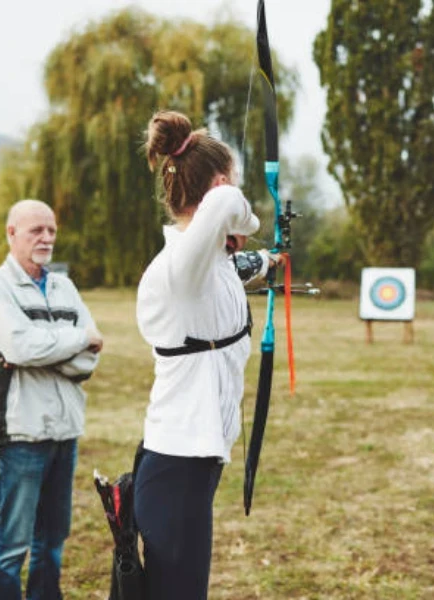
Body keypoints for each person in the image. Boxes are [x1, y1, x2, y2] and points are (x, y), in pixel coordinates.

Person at [134, 110, 282, 599]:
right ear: (220, 184)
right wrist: (248, 216)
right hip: (176, 461)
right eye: (231, 182)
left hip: (194, 460)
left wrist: (267, 260)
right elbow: (228, 205)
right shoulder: (179, 268)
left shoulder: (208, 263)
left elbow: (235, 267)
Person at [0, 199, 104, 600]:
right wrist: (76, 340)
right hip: (21, 433)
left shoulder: (64, 286)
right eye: (36, 230)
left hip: (65, 431)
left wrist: (56, 349)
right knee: (11, 547)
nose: (46, 238)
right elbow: (19, 347)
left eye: (51, 230)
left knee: (51, 544)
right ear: (12, 234)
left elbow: (89, 358)